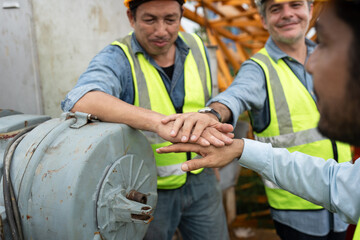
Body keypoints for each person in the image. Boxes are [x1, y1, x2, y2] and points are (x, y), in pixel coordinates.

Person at [157, 0, 360, 238]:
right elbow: (236, 94)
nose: (287, 14)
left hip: (342, 198)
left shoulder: (330, 57)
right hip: (297, 206)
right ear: (263, 20)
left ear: (310, 10)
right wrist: (212, 113)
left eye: (295, 4)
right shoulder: (258, 68)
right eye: (276, 8)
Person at [61, 0, 233, 239]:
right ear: (131, 18)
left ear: (182, 16)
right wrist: (158, 122)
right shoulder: (118, 57)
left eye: (170, 20)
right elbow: (81, 98)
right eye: (150, 19)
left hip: (202, 179)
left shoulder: (197, 46)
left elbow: (204, 101)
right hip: (147, 191)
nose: (161, 30)